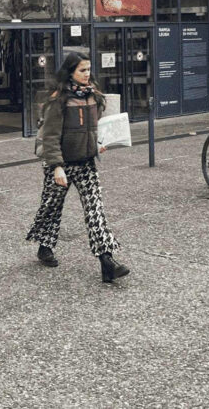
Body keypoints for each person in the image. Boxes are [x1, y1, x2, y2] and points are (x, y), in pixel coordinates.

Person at [26, 52, 129, 283]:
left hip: (86, 163)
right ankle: (44, 246)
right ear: (70, 72)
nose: (87, 74)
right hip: (61, 164)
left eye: (89, 69)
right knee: (51, 208)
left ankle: (107, 262)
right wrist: (56, 166)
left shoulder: (94, 96)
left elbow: (95, 128)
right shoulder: (58, 100)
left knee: (95, 211)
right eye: (82, 70)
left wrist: (98, 144)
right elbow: (51, 137)